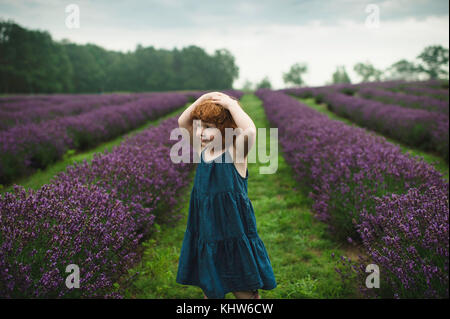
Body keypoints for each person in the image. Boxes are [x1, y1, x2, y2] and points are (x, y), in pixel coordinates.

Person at [176, 91, 277, 299]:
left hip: (234, 232)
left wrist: (232, 105)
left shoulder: (236, 152)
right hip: (208, 232)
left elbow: (249, 130)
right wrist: (203, 99)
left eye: (209, 128)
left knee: (244, 291)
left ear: (226, 129)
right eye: (200, 127)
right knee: (211, 287)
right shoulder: (203, 151)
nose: (201, 133)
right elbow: (182, 121)